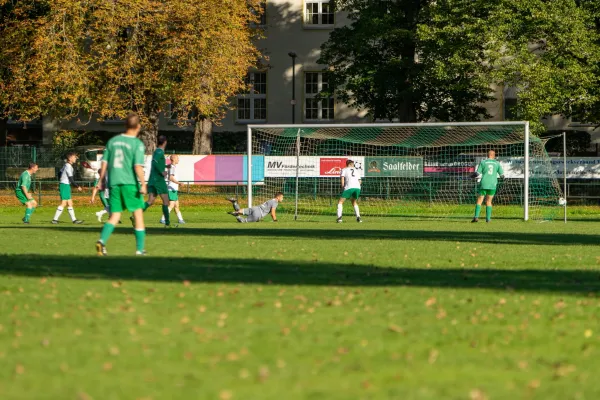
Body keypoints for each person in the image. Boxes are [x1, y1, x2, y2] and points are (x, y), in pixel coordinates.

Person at [95, 113, 147, 256]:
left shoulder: (113, 141)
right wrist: (143, 183)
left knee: (115, 216)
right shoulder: (137, 144)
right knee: (138, 215)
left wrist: (101, 180)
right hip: (129, 184)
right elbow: (137, 166)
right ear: (138, 127)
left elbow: (104, 162)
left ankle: (102, 241)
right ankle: (139, 249)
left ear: (125, 126)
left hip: (114, 184)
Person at [141, 135, 172, 227]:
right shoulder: (159, 151)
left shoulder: (156, 151)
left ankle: (135, 215)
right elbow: (154, 162)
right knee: (166, 201)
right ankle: (167, 223)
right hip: (158, 180)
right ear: (165, 142)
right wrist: (162, 172)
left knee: (150, 201)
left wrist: (165, 166)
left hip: (152, 180)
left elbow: (156, 163)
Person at [471, 150, 504, 223]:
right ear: (493, 155)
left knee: (479, 200)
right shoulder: (497, 163)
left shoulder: (483, 162)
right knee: (489, 201)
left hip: (484, 184)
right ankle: (488, 219)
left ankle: (476, 217)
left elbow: (477, 173)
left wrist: (471, 176)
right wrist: (503, 178)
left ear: (488, 155)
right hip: (492, 185)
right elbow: (502, 175)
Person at [52, 152, 83, 224]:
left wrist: (61, 180)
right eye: (75, 157)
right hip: (65, 185)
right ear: (70, 158)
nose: (76, 158)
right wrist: (77, 186)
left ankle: (74, 220)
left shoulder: (66, 165)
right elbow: (71, 179)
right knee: (63, 203)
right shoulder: (68, 166)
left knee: (70, 203)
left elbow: (59, 173)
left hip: (65, 185)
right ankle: (54, 220)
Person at [160, 154, 185, 225]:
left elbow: (165, 175)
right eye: (177, 158)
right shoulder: (172, 167)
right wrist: (179, 183)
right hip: (172, 188)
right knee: (171, 205)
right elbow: (170, 178)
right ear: (173, 159)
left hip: (173, 188)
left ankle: (180, 219)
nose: (178, 160)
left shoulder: (171, 166)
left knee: (176, 205)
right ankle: (163, 219)